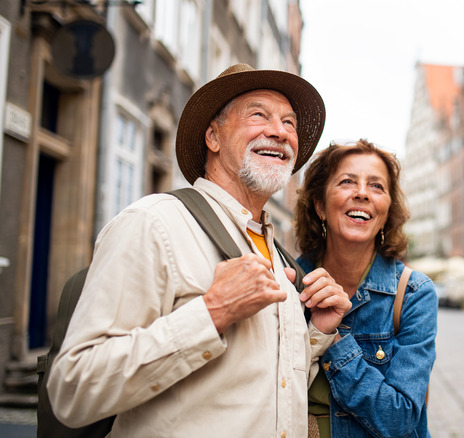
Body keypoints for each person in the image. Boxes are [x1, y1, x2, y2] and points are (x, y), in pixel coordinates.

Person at [47, 64, 352, 437]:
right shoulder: (153, 223)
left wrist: (317, 333)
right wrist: (212, 313)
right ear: (213, 136)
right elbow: (73, 389)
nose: (280, 131)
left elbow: (266, 391)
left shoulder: (279, 257)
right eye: (258, 114)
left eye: (289, 123)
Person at [294, 139, 438, 437]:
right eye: (347, 181)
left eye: (376, 186)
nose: (362, 193)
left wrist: (332, 339)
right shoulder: (289, 282)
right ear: (320, 205)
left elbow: (400, 420)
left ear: (387, 211)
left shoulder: (413, 294)